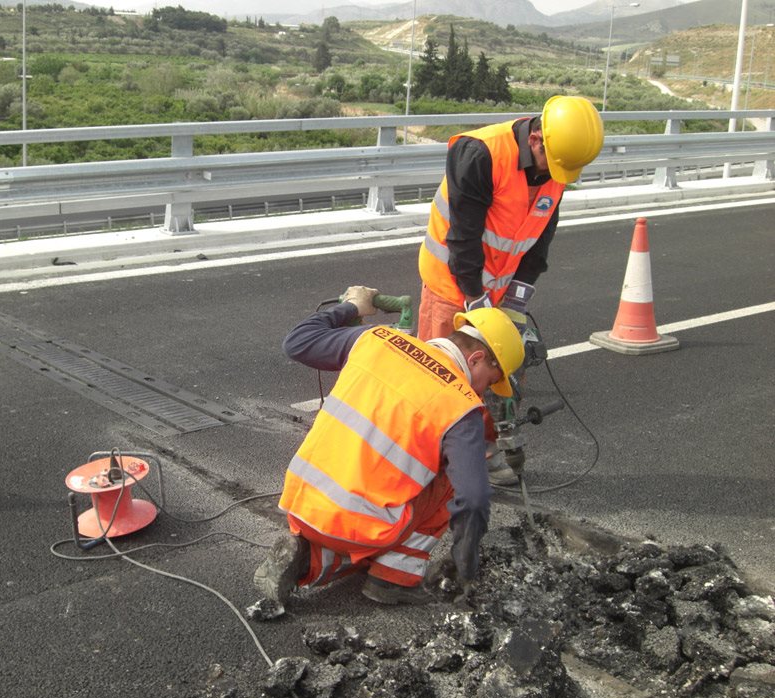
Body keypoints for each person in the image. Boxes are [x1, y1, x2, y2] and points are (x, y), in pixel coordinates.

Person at [254, 286, 525, 606]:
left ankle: (308, 558)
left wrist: (351, 308)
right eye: (490, 381)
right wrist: (466, 565)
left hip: (301, 504)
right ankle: (394, 580)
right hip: (362, 525)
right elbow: (475, 499)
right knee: (452, 479)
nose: (485, 391)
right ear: (476, 358)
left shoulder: (376, 340)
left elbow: (297, 343)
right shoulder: (461, 405)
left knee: (364, 528)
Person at [416, 95, 604, 483]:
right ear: (537, 138)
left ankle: (483, 449)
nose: (555, 174)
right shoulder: (480, 154)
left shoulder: (556, 162)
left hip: (499, 287)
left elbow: (541, 234)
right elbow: (463, 238)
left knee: (494, 370)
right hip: (453, 282)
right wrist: (475, 298)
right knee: (445, 375)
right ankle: (426, 459)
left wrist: (518, 296)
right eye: (551, 164)